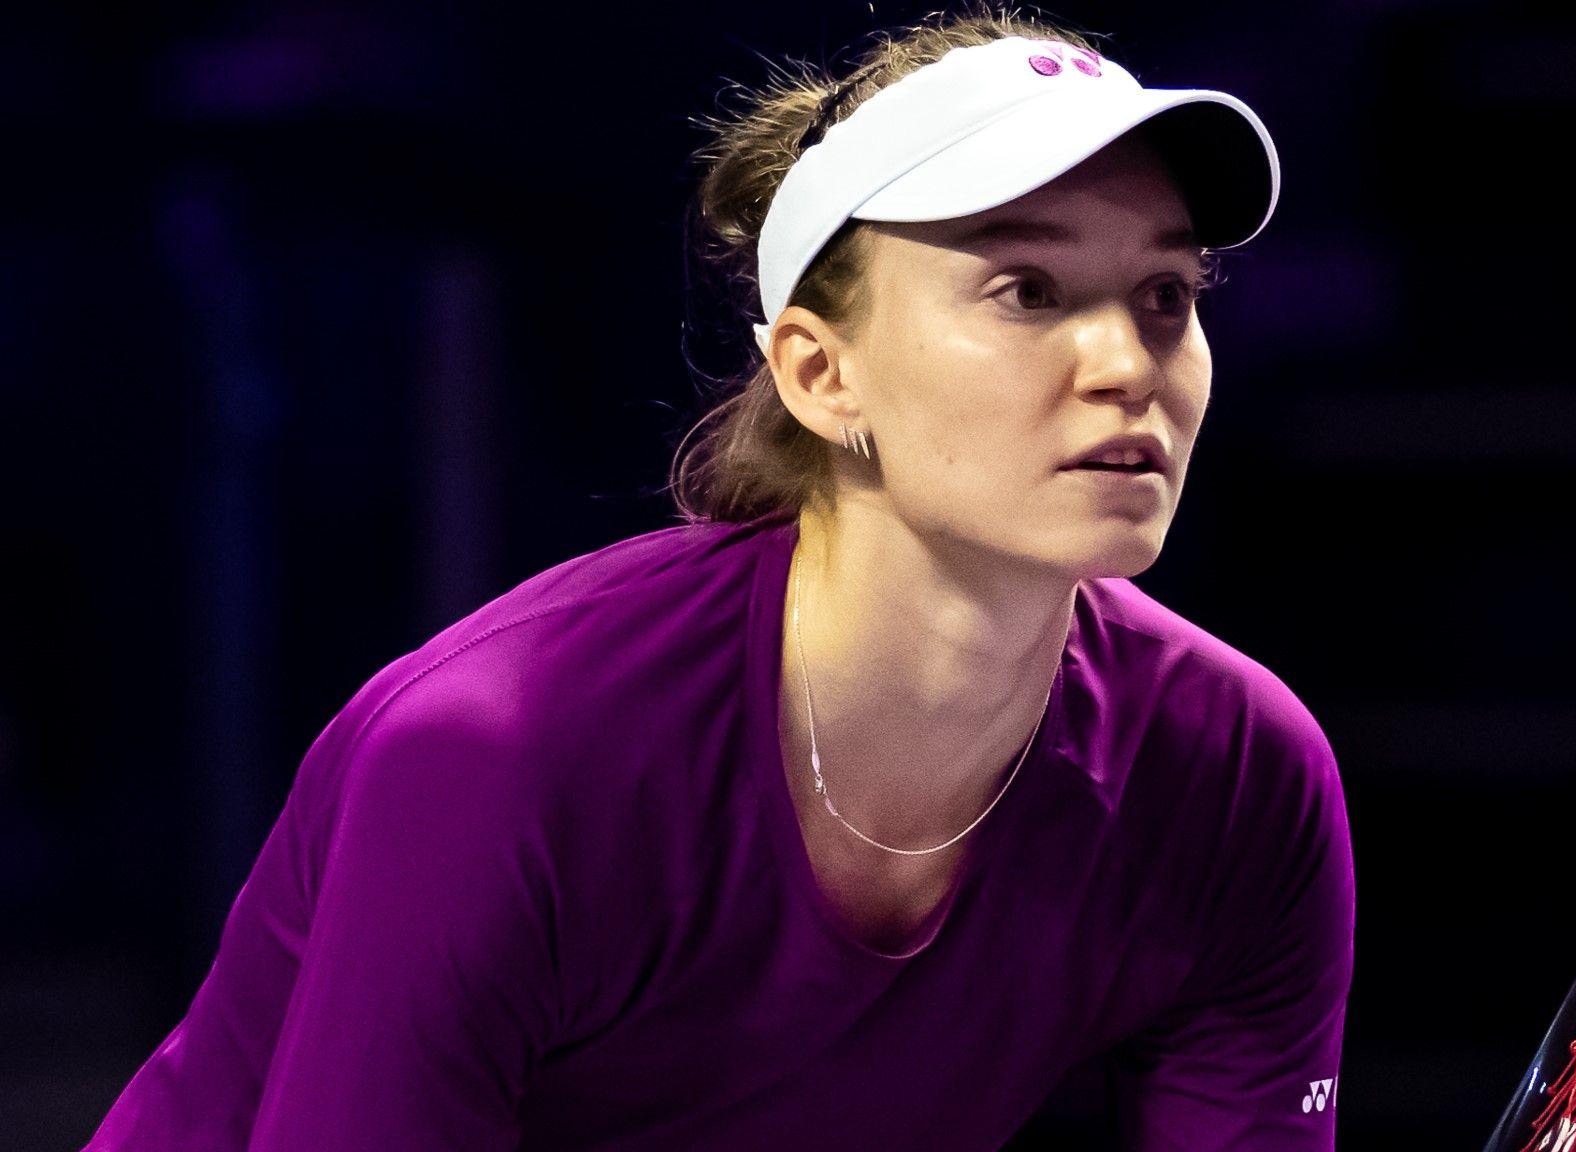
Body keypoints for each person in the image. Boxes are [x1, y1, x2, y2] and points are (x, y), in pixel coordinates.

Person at [85, 6, 1354, 1149]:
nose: (1127, 361)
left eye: (1163, 294)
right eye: (1025, 289)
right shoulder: (498, 755)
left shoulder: (1241, 777)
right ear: (817, 373)